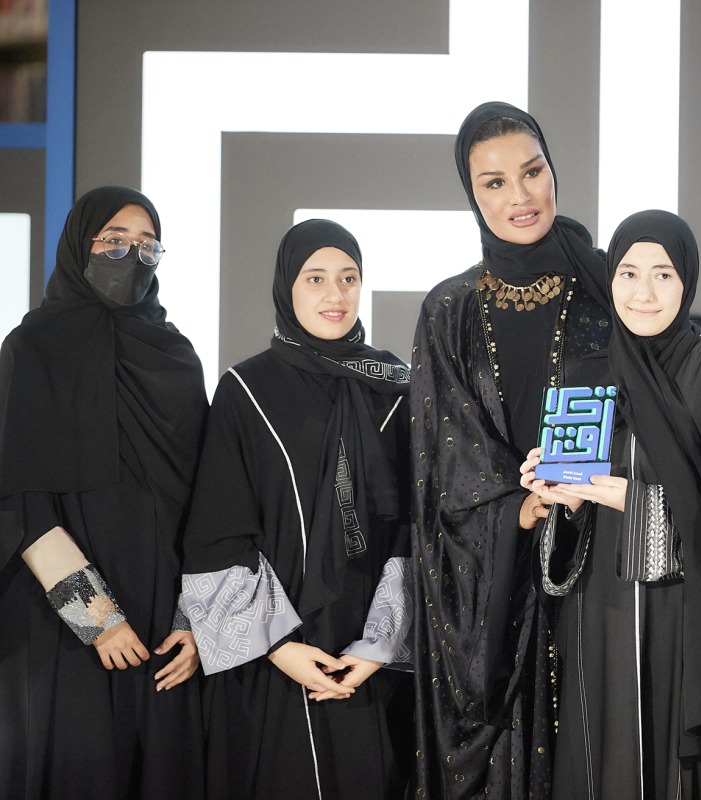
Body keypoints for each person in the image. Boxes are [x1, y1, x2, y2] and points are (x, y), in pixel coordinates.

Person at [409, 101, 613, 799]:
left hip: (604, 570)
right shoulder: (450, 309)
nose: (520, 196)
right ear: (471, 195)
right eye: (494, 183)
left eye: (532, 172)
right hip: (501, 586)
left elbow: (655, 392)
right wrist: (517, 509)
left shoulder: (610, 289)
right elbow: (443, 464)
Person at [182, 219, 413, 799]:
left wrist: (379, 645)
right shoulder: (246, 390)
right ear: (288, 286)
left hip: (374, 656)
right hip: (276, 657)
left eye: (348, 277)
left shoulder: (398, 388)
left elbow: (419, 525)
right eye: (316, 278)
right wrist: (281, 648)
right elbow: (218, 531)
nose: (335, 295)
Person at [520, 210, 701, 798]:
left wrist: (629, 497)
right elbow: (564, 541)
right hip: (601, 608)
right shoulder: (585, 376)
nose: (643, 292)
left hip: (689, 608)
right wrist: (560, 500)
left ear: (687, 280)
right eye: (627, 273)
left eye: (663, 274)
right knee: (602, 761)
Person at [0, 186, 207, 799]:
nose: (132, 256)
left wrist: (194, 618)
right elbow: (18, 499)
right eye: (114, 242)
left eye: (147, 246)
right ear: (78, 248)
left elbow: (210, 500)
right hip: (63, 624)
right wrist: (98, 621)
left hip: (164, 621)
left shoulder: (176, 358)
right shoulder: (31, 351)